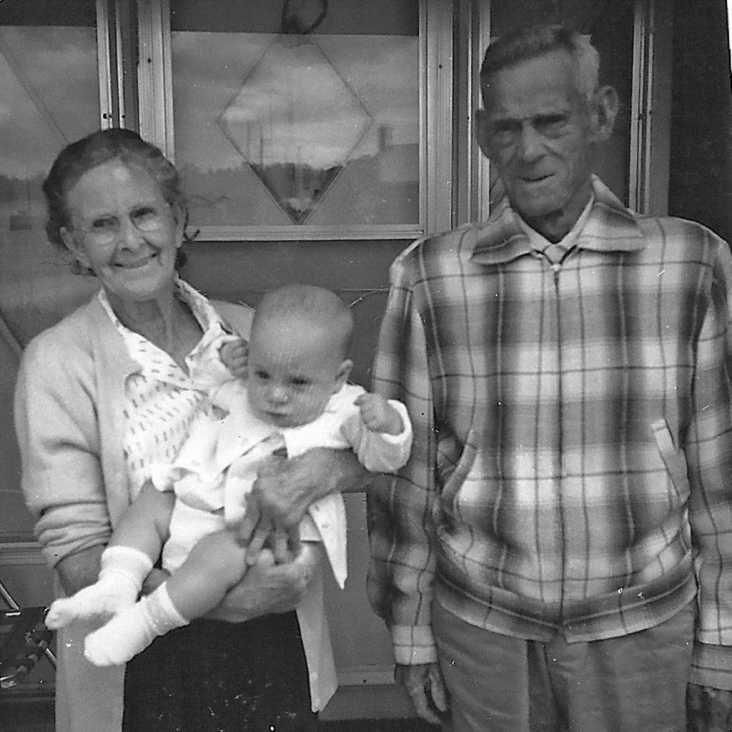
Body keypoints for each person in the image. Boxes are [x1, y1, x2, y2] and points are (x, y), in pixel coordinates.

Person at [368, 24, 732, 732]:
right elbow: (402, 478)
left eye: (551, 121)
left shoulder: (690, 263)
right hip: (482, 628)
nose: (528, 149)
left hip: (642, 628)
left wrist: (721, 639)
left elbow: (721, 476)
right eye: (506, 127)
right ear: (479, 134)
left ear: (600, 113)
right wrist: (411, 633)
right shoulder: (432, 275)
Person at [14, 129, 367, 732]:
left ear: (177, 219)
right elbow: (77, 552)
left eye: (145, 213)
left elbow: (354, 442)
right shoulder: (57, 362)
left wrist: (316, 472)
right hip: (146, 659)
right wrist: (223, 603)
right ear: (74, 244)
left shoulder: (251, 333)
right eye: (102, 225)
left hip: (276, 635)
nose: (130, 241)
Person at [45, 283, 412, 671]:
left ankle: (142, 624)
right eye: (263, 375)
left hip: (257, 538)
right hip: (199, 505)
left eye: (297, 383)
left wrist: (389, 425)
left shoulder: (344, 409)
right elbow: (202, 385)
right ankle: (116, 584)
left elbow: (382, 459)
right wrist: (225, 362)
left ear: (338, 377)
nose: (275, 395)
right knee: (155, 494)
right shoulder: (245, 386)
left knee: (217, 553)